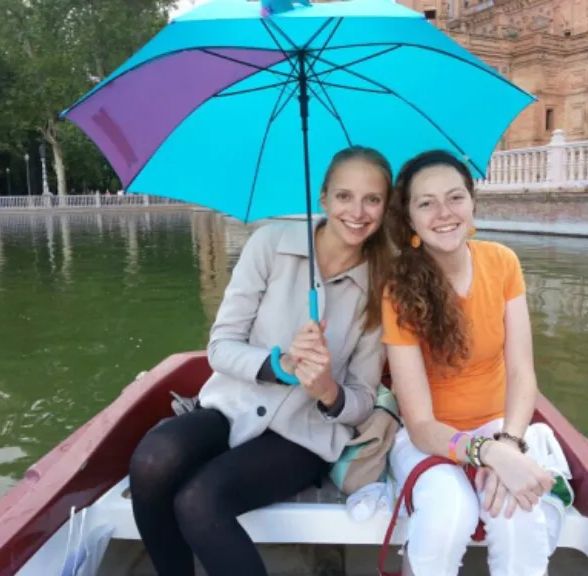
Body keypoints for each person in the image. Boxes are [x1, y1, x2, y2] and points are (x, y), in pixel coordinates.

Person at [128, 145, 393, 576]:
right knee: (152, 461)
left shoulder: (380, 286)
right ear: (323, 198)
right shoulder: (270, 244)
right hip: (231, 407)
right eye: (344, 196)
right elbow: (221, 346)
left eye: (372, 199)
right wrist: (281, 364)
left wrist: (327, 391)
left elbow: (362, 400)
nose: (357, 212)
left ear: (385, 207)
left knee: (198, 500)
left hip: (303, 437)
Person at [382, 149, 557, 576]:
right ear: (410, 219)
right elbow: (421, 424)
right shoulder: (398, 289)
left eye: (454, 197)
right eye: (426, 203)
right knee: (449, 511)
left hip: (499, 426)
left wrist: (510, 446)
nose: (444, 213)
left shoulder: (502, 262)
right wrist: (487, 454)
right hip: (430, 438)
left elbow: (521, 372)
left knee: (519, 513)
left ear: (472, 202)